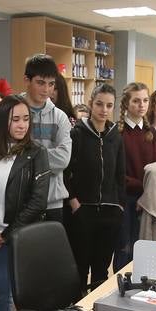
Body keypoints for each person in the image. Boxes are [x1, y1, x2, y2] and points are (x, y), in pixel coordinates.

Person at [0, 94, 49, 311]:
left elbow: (37, 202)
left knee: (26, 297)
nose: (22, 125)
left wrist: (8, 234)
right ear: (2, 122)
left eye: (25, 119)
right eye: (15, 120)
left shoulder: (36, 153)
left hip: (21, 237)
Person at [65, 83, 125, 294]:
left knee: (101, 270)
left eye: (109, 105)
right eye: (99, 104)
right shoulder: (77, 133)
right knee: (80, 268)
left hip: (110, 213)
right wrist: (74, 203)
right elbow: (66, 172)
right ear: (91, 104)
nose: (104, 109)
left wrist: (119, 206)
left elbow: (120, 174)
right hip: (83, 211)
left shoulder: (115, 136)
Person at [22, 54, 72, 222]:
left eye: (51, 84)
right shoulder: (10, 112)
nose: (46, 90)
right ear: (27, 80)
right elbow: (5, 155)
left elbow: (63, 159)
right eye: (41, 83)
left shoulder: (61, 117)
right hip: (19, 199)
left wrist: (27, 157)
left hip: (53, 202)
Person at [115, 82, 156, 271]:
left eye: (145, 100)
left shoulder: (151, 132)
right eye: (136, 101)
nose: (142, 105)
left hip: (146, 199)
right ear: (126, 104)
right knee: (124, 248)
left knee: (143, 247)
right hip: (125, 200)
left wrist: (146, 195)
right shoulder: (118, 133)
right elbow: (116, 174)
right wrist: (139, 191)